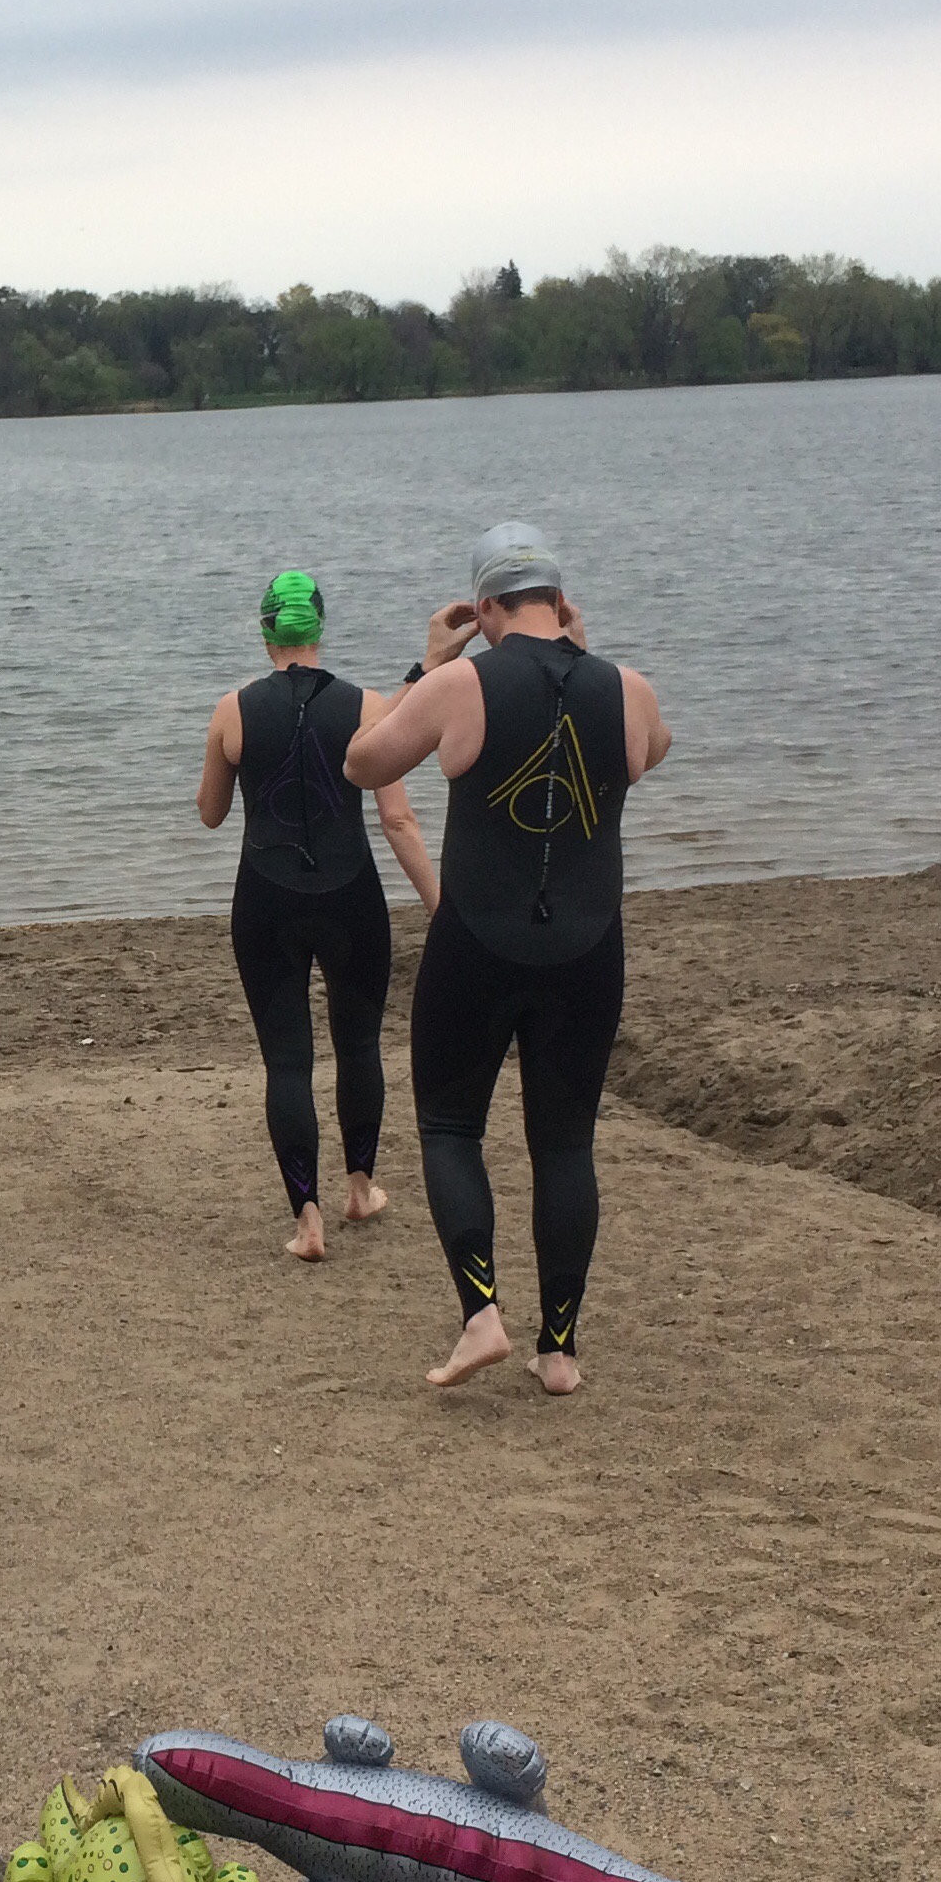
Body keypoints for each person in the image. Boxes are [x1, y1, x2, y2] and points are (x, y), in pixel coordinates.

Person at [345, 527, 671, 1395]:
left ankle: (482, 1315)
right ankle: (558, 1351)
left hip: (477, 944)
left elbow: (361, 761)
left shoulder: (460, 684)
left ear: (484, 606)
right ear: (560, 602)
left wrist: (426, 664)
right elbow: (651, 751)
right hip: (589, 948)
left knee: (452, 1128)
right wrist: (587, 656)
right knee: (565, 1144)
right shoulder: (628, 688)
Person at [196, 570, 440, 1261]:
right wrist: (441, 906)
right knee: (359, 1045)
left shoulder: (232, 710)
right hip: (351, 895)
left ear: (265, 630)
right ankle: (360, 1190)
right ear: (320, 628)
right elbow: (397, 820)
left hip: (264, 900)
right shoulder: (367, 708)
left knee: (287, 1061)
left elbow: (211, 814)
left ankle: (308, 1222)